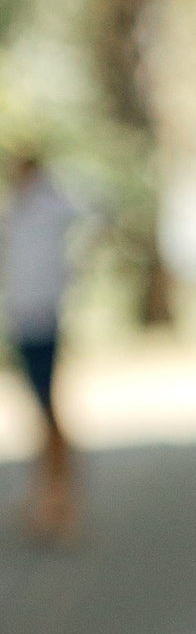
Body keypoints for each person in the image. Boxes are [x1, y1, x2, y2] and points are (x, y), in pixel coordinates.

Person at [5, 147, 85, 543]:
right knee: (39, 410)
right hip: (22, 322)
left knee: (47, 409)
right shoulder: (16, 214)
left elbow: (90, 207)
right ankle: (47, 493)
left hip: (43, 320)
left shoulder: (50, 206)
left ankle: (59, 497)